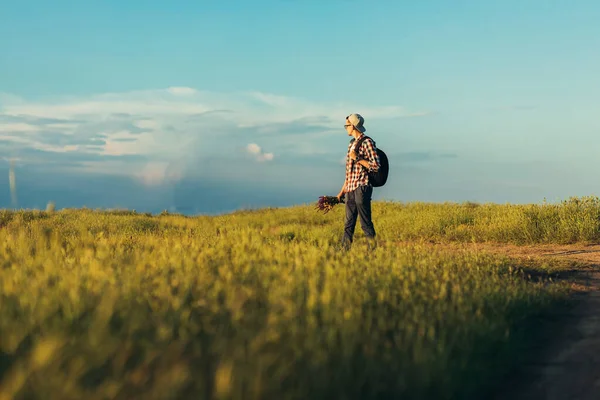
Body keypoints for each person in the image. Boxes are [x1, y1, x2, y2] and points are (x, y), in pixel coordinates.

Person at [336, 113, 380, 249]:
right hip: (350, 188)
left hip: (362, 186)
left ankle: (372, 251)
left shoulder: (367, 142)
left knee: (365, 222)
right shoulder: (351, 145)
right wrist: (341, 192)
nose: (345, 128)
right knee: (348, 223)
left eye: (346, 126)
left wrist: (357, 158)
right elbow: (349, 173)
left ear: (353, 126)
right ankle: (344, 251)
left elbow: (376, 166)